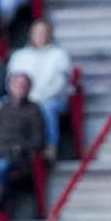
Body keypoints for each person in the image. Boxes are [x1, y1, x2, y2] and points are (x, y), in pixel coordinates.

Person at [6, 19, 72, 159]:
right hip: (23, 97)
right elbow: (11, 79)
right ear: (31, 34)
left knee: (45, 107)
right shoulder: (19, 55)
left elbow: (59, 84)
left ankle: (49, 149)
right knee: (5, 105)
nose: (41, 35)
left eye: (44, 32)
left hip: (51, 98)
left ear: (50, 35)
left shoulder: (59, 55)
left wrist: (36, 97)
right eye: (37, 32)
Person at [0, 72, 45, 178]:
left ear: (29, 88)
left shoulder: (34, 110)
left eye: (23, 85)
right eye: (17, 85)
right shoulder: (3, 108)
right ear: (11, 87)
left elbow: (38, 141)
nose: (20, 88)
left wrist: (18, 148)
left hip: (16, 157)